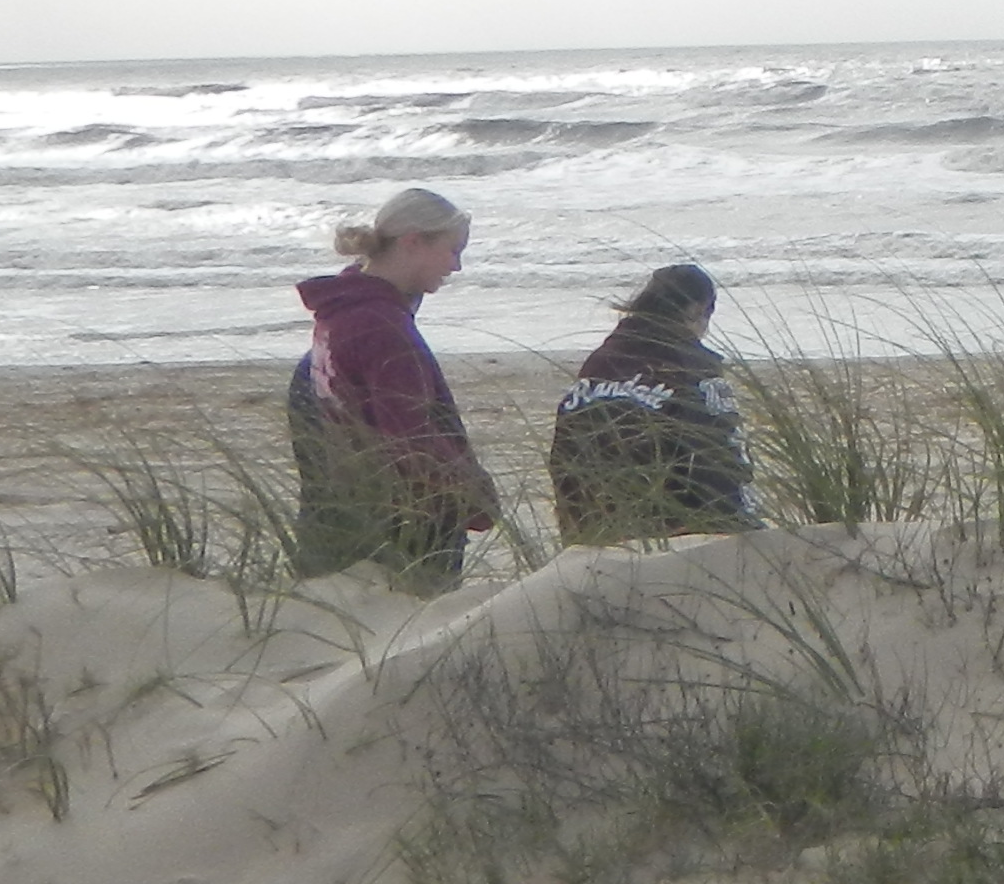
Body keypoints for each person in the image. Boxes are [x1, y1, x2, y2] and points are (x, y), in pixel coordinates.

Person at [288, 187, 501, 587]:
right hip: (397, 537)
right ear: (413, 242)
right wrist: (476, 502)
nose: (456, 267)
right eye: (453, 250)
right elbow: (410, 436)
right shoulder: (381, 327)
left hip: (340, 522)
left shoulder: (342, 310)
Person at [550, 263, 761, 545]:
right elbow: (721, 465)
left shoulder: (600, 363)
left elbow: (565, 453)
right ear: (696, 310)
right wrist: (748, 530)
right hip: (671, 539)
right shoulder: (693, 368)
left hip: (590, 530)